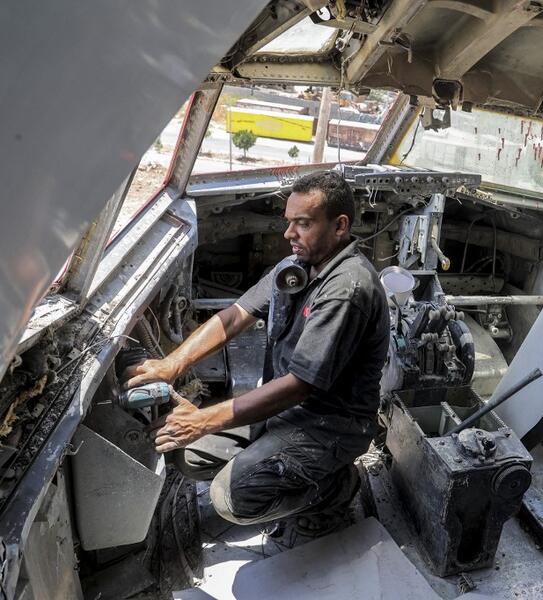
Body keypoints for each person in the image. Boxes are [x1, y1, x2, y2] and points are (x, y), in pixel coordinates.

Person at [125, 171, 389, 545]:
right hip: (285, 412)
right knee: (190, 455)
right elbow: (236, 315)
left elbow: (298, 387)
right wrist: (172, 364)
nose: (289, 234)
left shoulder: (348, 289)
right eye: (289, 222)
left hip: (330, 425)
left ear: (340, 226)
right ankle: (281, 469)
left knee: (230, 500)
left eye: (303, 223)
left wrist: (201, 420)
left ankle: (337, 490)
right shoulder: (298, 267)